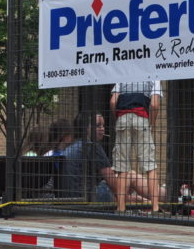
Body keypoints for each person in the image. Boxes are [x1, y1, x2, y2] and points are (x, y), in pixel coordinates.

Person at [110, 80, 162, 213]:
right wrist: (152, 124)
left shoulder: (124, 74)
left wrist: (118, 119)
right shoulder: (154, 76)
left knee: (122, 166)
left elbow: (113, 102)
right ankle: (155, 207)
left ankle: (121, 208)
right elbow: (155, 104)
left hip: (122, 117)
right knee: (149, 165)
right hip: (142, 118)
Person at [58, 112, 119, 203]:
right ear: (86, 128)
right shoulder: (92, 146)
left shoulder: (72, 146)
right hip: (85, 198)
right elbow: (112, 182)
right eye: (98, 126)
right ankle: (145, 201)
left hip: (69, 198)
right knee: (130, 177)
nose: (102, 129)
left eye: (103, 125)